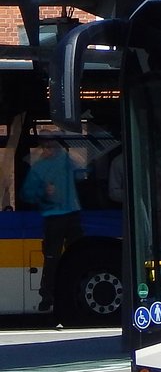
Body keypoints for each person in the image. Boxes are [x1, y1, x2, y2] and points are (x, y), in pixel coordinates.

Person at [20, 134, 84, 312]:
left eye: (52, 145)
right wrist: (43, 191)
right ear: (42, 147)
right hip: (54, 215)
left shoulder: (66, 159)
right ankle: (48, 296)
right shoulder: (39, 167)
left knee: (75, 255)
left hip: (72, 214)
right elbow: (27, 194)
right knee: (52, 258)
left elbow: (83, 172)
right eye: (46, 146)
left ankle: (71, 291)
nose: (49, 149)